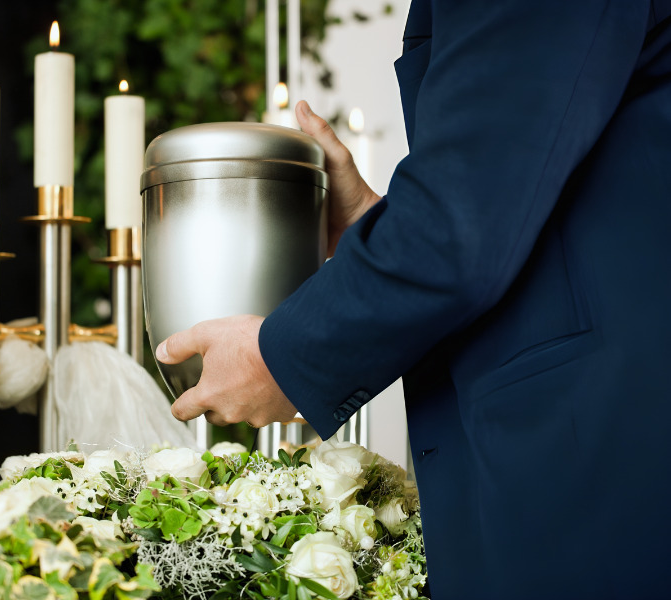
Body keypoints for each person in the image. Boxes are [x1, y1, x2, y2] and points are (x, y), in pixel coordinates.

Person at [154, 1, 671, 598]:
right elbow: (508, 188)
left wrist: (281, 356)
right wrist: (377, 226)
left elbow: (463, 219)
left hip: (598, 443)